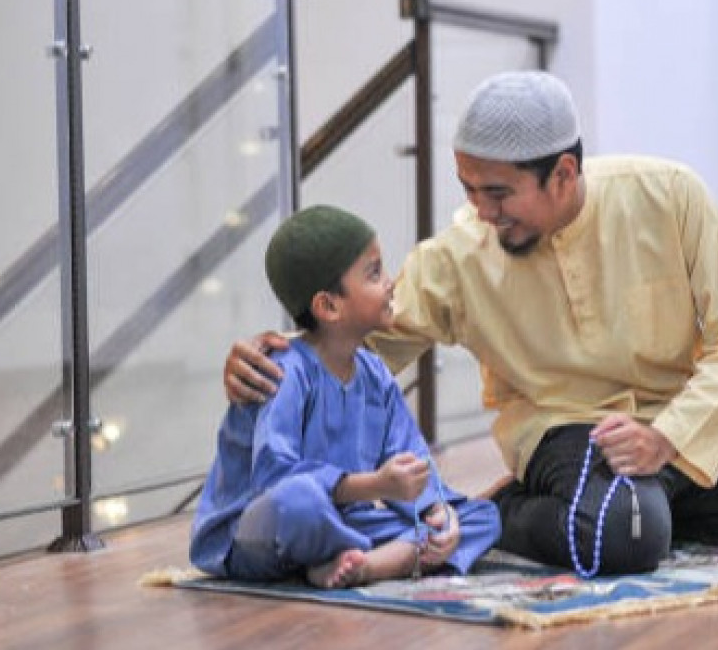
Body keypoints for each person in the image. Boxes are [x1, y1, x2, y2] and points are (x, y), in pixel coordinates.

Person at [223, 71, 718, 576]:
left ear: (564, 172)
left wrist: (668, 437)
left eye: (498, 192)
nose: (482, 211)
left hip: (690, 431)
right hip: (570, 431)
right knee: (624, 534)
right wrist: (274, 359)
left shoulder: (667, 195)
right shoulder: (460, 256)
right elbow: (357, 343)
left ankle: (649, 513)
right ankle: (500, 514)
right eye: (468, 189)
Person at [191, 204, 500, 588]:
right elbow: (275, 477)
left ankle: (361, 563)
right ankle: (393, 556)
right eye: (374, 273)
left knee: (480, 516)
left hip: (344, 521)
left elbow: (412, 458)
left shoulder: (374, 373)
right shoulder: (284, 370)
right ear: (328, 306)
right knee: (299, 499)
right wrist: (377, 487)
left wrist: (438, 511)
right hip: (257, 530)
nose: (390, 282)